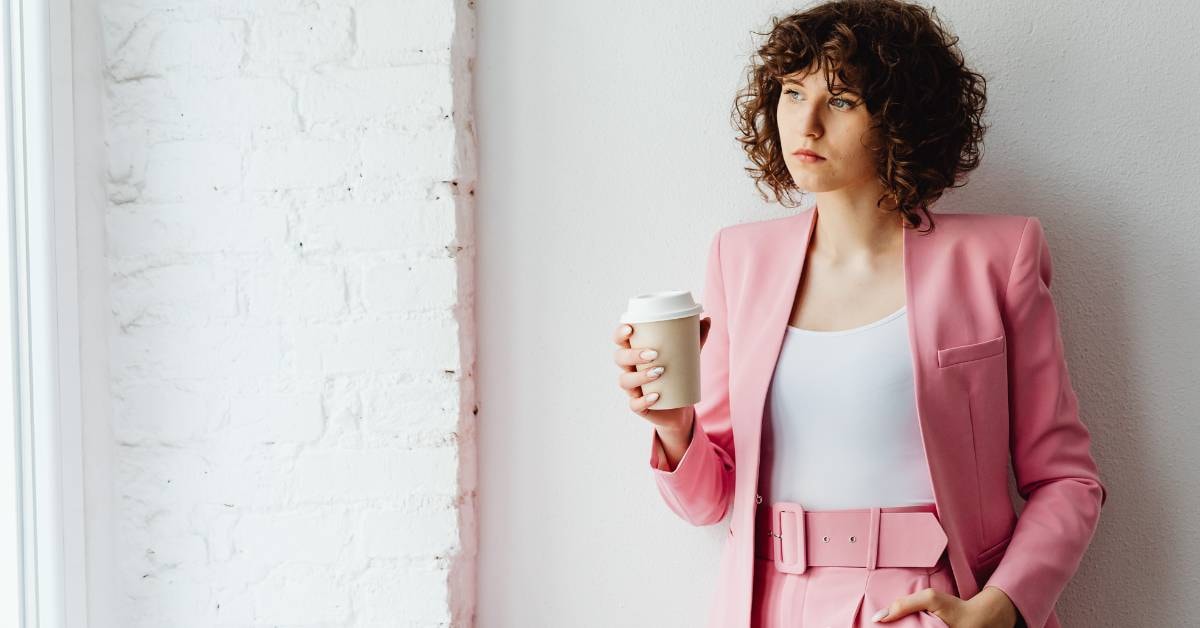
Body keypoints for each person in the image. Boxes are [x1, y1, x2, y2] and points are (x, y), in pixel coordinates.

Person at [611, 1, 1107, 627]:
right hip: (770, 607)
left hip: (933, 605)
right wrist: (674, 426)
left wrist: (1002, 608)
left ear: (901, 119)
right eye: (792, 93)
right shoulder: (740, 259)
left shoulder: (996, 258)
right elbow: (710, 502)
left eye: (841, 101)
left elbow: (1067, 481)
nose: (806, 125)